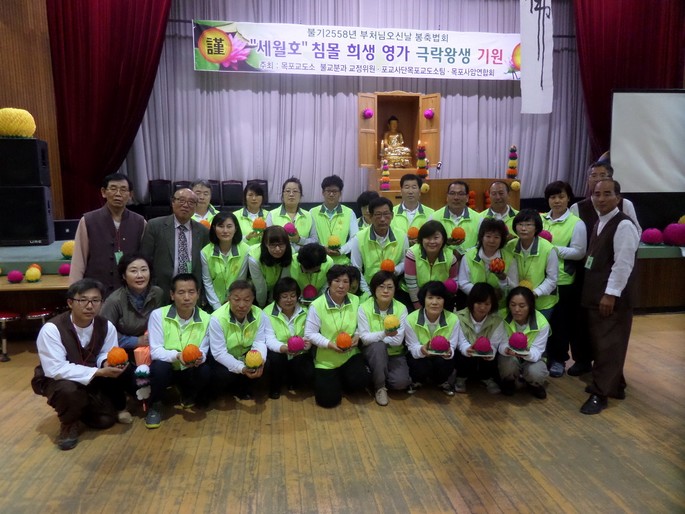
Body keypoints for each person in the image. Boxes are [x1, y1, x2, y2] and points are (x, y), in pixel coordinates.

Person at [32, 279, 133, 450]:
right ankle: (68, 424)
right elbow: (56, 368)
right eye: (83, 300)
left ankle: (78, 409)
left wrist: (106, 362)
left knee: (105, 421)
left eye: (95, 300)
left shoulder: (106, 326)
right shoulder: (52, 329)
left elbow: (105, 352)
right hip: (57, 380)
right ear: (70, 303)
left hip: (91, 379)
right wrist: (98, 372)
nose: (89, 306)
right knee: (68, 390)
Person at [580, 179, 639, 415]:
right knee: (605, 344)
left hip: (610, 299)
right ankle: (616, 385)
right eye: (597, 194)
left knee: (608, 345)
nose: (601, 199)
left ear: (618, 197)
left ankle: (600, 394)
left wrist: (611, 294)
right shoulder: (600, 221)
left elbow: (623, 264)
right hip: (596, 296)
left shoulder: (623, 225)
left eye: (607, 194)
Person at [145, 273, 211, 428]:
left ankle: (189, 393)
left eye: (191, 292)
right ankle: (155, 404)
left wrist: (199, 358)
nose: (187, 297)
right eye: (181, 292)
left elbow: (204, 349)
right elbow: (156, 351)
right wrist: (177, 355)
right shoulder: (158, 315)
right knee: (159, 367)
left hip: (189, 368)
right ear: (172, 295)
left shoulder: (207, 318)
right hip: (168, 367)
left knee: (205, 370)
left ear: (198, 294)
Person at [69, 173, 146, 297]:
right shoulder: (88, 221)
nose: (118, 194)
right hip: (95, 294)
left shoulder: (140, 222)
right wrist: (74, 293)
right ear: (103, 192)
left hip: (129, 294)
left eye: (123, 189)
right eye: (113, 188)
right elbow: (79, 260)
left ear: (130, 195)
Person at [304, 265, 370, 408]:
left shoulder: (355, 300)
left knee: (362, 382)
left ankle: (342, 379)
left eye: (346, 282)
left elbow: (362, 324)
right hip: (327, 359)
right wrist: (329, 344)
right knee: (327, 402)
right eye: (337, 281)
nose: (341, 286)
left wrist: (357, 335)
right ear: (329, 283)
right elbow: (310, 334)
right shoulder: (317, 305)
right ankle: (333, 380)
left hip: (350, 355)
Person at [542, 181, 587, 378]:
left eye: (561, 196)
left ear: (569, 198)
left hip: (563, 282)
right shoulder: (541, 219)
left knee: (561, 324)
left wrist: (552, 249)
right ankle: (542, 357)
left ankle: (559, 359)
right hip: (541, 279)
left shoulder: (576, 223)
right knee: (543, 322)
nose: (557, 201)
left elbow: (579, 252)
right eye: (553, 197)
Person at [140, 188, 210, 304]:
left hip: (191, 293)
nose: (186, 205)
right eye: (181, 200)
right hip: (161, 290)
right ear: (173, 202)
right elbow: (145, 259)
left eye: (191, 202)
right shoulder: (155, 226)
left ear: (195, 206)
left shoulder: (203, 231)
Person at [208, 280, 269, 401]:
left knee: (267, 365)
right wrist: (242, 368)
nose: (242, 305)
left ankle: (244, 388)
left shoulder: (259, 314)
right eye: (236, 299)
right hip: (226, 356)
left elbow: (260, 342)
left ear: (253, 299)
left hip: (247, 355)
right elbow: (219, 353)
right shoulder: (217, 318)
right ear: (229, 298)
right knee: (223, 375)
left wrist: (259, 361)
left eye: (247, 300)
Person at [358, 271, 410, 406]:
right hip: (372, 352)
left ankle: (376, 374)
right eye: (381, 287)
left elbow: (397, 340)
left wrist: (375, 336)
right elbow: (364, 339)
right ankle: (380, 387)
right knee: (378, 347)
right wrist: (384, 334)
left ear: (395, 289)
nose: (385, 291)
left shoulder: (401, 308)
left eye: (390, 287)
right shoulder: (364, 308)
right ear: (374, 289)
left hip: (394, 353)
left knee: (400, 383)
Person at [403, 281, 459, 396]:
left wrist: (449, 352)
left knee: (447, 362)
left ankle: (441, 381)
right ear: (423, 299)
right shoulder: (411, 319)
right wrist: (422, 350)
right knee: (419, 362)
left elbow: (453, 345)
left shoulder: (453, 319)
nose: (434, 302)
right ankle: (417, 381)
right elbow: (412, 346)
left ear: (444, 300)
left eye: (439, 298)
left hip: (441, 357)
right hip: (420, 357)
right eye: (430, 298)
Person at [100, 253, 164, 352]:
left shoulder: (158, 293)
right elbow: (103, 332)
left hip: (153, 348)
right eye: (133, 271)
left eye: (144, 270)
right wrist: (136, 341)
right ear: (124, 276)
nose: (140, 275)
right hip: (122, 351)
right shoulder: (114, 300)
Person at [264, 277, 314, 399]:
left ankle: (292, 380)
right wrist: (284, 348)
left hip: (300, 352)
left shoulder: (305, 311)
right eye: (284, 296)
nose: (289, 300)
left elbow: (309, 333)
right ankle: (275, 387)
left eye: (293, 296)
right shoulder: (266, 313)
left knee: (308, 373)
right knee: (276, 359)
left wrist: (308, 343)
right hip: (279, 351)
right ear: (277, 297)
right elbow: (269, 339)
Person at [505, 209, 558, 320]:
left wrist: (534, 294)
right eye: (520, 224)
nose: (523, 229)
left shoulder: (548, 249)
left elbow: (552, 280)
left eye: (528, 225)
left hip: (542, 303)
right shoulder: (510, 246)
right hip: (517, 303)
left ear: (537, 228)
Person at [570, 161, 641, 243]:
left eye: (602, 175)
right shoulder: (576, 208)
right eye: (594, 176)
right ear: (588, 180)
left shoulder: (625, 204)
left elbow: (637, 231)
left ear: (611, 179)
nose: (598, 179)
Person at [498, 286, 549, 399]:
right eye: (513, 305)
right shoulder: (502, 316)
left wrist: (526, 353)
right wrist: (506, 349)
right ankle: (509, 381)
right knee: (507, 363)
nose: (517, 309)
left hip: (531, 357)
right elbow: (501, 343)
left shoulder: (542, 323)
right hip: (510, 355)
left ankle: (534, 384)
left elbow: (538, 351)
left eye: (522, 306)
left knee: (536, 372)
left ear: (530, 306)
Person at [349, 197, 408, 296]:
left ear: (392, 215)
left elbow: (405, 262)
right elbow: (356, 269)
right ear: (370, 216)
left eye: (386, 214)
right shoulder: (359, 238)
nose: (382, 219)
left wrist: (395, 270)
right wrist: (368, 293)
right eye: (378, 215)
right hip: (368, 287)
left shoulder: (402, 236)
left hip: (393, 288)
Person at [454, 283, 505, 394]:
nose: (482, 307)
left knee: (493, 355)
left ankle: (487, 378)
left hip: (485, 356)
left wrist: (490, 352)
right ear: (472, 302)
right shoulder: (458, 317)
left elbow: (494, 343)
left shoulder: (497, 321)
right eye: (479, 303)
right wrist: (467, 349)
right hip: (466, 355)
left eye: (487, 304)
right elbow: (460, 341)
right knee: (462, 354)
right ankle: (461, 378)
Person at [404, 220, 458, 311]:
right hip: (414, 297)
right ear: (421, 239)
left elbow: (453, 284)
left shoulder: (451, 258)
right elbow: (411, 284)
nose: (432, 242)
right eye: (428, 238)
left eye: (436, 238)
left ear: (443, 239)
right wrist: (420, 309)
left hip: (440, 300)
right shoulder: (412, 253)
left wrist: (440, 307)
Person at [458, 218, 513, 307]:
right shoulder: (469, 256)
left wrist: (503, 279)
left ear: (502, 239)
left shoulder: (509, 258)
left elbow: (513, 288)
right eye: (488, 236)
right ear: (481, 237)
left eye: (496, 237)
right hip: (475, 306)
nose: (492, 241)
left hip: (500, 309)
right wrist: (484, 295)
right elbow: (463, 282)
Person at [201, 212, 249, 311]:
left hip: (238, 302)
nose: (225, 231)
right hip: (214, 303)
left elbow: (241, 280)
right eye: (221, 226)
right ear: (214, 228)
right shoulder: (205, 252)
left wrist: (232, 302)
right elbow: (207, 282)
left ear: (235, 228)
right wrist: (217, 307)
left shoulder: (245, 250)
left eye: (229, 226)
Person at [309, 175, 358, 265]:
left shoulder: (349, 213)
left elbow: (355, 238)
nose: (331, 194)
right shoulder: (312, 212)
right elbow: (310, 238)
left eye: (335, 191)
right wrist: (322, 248)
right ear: (323, 192)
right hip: (319, 263)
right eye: (328, 191)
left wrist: (341, 250)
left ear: (340, 193)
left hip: (342, 263)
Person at [431, 180, 481, 256]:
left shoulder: (478, 219)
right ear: (447, 197)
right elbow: (428, 243)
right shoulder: (434, 218)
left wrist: (465, 254)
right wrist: (445, 243)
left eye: (460, 194)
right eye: (452, 193)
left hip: (469, 262)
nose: (456, 197)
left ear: (467, 197)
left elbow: (481, 245)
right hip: (443, 262)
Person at [266, 177, 316, 252]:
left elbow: (315, 241)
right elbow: (267, 240)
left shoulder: (309, 216)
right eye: (288, 191)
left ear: (300, 196)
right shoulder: (272, 215)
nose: (291, 194)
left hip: (304, 257)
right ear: (282, 195)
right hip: (279, 256)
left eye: (295, 191)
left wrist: (299, 240)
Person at [247, 225, 292, 307]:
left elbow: (282, 281)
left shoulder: (290, 252)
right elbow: (260, 287)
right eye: (272, 245)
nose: (278, 249)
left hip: (275, 288)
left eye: (281, 244)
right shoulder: (254, 258)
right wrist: (262, 306)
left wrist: (272, 304)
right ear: (265, 244)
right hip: (255, 289)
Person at [391, 174, 435, 239]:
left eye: (414, 187)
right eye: (407, 187)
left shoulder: (431, 213)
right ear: (401, 191)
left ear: (419, 191)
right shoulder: (391, 213)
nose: (410, 192)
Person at [234, 182, 269, 247]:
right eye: (250, 195)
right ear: (245, 197)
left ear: (262, 197)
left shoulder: (269, 215)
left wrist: (266, 235)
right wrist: (247, 238)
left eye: (257, 195)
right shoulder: (235, 216)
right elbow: (232, 241)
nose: (254, 198)